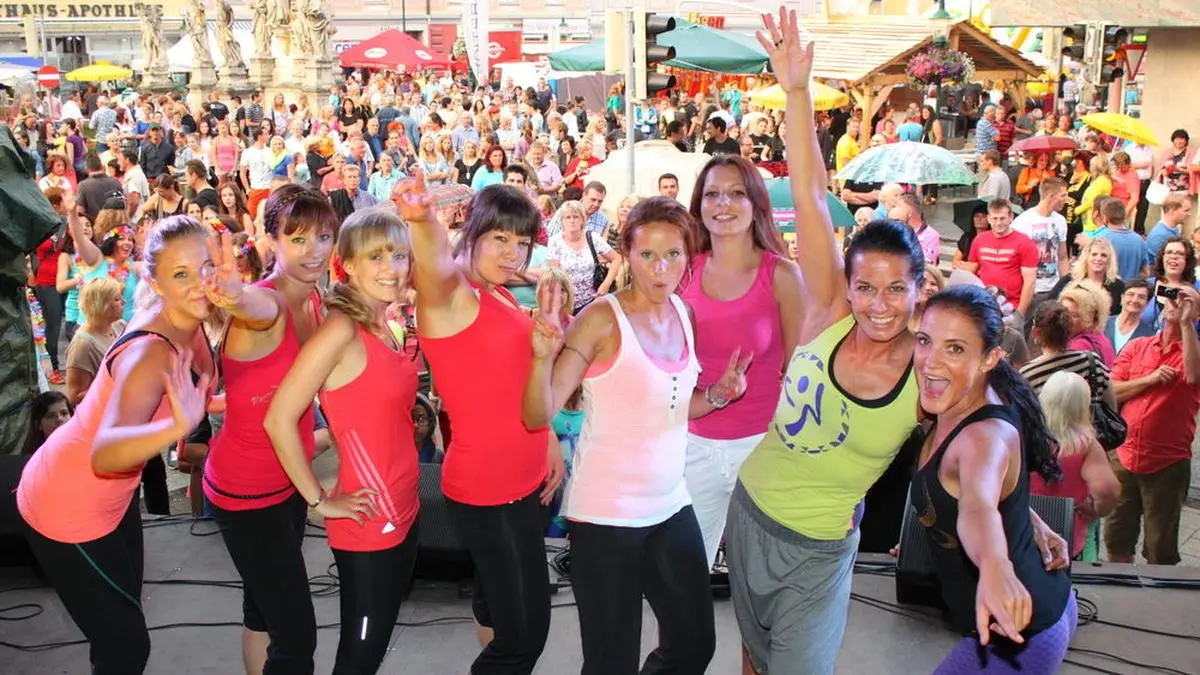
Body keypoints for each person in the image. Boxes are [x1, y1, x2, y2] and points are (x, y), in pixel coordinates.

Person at [16, 217, 241, 674]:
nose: (199, 283)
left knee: (120, 625)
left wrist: (224, 401)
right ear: (155, 281)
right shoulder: (150, 354)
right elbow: (105, 451)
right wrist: (180, 423)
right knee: (126, 646)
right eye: (181, 274)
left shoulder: (189, 317)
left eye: (205, 266)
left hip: (115, 500)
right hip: (67, 505)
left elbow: (183, 397)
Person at [524, 197, 736, 675]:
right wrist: (542, 356)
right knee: (610, 660)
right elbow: (539, 413)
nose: (661, 269)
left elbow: (674, 407)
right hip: (605, 519)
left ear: (689, 254)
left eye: (674, 255)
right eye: (647, 255)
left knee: (694, 643)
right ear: (626, 254)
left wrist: (718, 395)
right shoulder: (601, 318)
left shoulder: (684, 313)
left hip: (670, 505)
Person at [393, 179, 560, 675]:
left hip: (524, 481)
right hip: (491, 492)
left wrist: (546, 436)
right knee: (524, 637)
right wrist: (422, 222)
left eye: (522, 242)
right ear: (472, 232)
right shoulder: (452, 297)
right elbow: (435, 270)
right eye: (500, 239)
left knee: (494, 606)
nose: (513, 253)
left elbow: (515, 383)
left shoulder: (498, 295)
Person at [264, 209, 420, 674]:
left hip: (405, 508)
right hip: (369, 522)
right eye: (376, 256)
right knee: (359, 659)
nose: (392, 268)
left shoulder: (384, 325)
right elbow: (278, 418)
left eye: (399, 255)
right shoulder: (340, 331)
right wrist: (317, 499)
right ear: (347, 264)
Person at [203, 185, 340, 675]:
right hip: (247, 494)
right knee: (296, 637)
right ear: (272, 241)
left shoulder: (318, 302)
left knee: (262, 608)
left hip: (286, 483)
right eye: (299, 238)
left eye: (324, 236)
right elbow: (254, 307)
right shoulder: (266, 307)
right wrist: (235, 296)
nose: (315, 250)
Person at [911, 285, 1075, 673]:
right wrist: (1029, 519)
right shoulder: (961, 397)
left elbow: (979, 504)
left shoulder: (984, 438)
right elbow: (995, 493)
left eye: (955, 348)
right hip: (1034, 608)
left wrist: (995, 565)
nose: (931, 362)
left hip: (1018, 635)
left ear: (990, 358)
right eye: (924, 340)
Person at [680, 154, 802, 568]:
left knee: (762, 584)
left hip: (763, 446)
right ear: (698, 206)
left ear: (756, 205)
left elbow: (802, 372)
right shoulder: (681, 273)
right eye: (712, 194)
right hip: (691, 445)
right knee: (680, 580)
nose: (723, 204)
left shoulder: (783, 275)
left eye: (736, 193)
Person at [1031, 371, 1120, 561]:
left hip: (1024, 527)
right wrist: (1094, 511)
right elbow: (1107, 491)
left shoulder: (1023, 434)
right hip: (1067, 530)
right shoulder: (1086, 445)